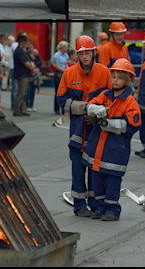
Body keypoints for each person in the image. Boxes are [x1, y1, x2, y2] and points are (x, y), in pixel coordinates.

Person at [56, 35, 110, 217]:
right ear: (77, 55)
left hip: (96, 129)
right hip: (78, 129)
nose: (85, 56)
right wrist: (85, 108)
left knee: (95, 167)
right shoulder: (69, 74)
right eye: (81, 53)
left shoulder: (104, 72)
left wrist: (98, 113)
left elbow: (111, 99)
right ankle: (79, 205)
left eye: (88, 52)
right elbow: (62, 101)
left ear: (94, 52)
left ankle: (95, 204)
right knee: (78, 167)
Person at [83, 59, 141, 221]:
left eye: (119, 77)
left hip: (115, 150)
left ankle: (113, 210)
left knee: (112, 181)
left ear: (127, 80)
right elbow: (91, 104)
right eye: (113, 76)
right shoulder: (105, 95)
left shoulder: (130, 102)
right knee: (97, 180)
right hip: (98, 148)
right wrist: (94, 108)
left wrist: (109, 124)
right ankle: (101, 208)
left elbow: (132, 125)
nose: (115, 80)